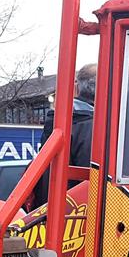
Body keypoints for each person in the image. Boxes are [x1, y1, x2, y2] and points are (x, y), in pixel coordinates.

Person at [32, 63, 96, 207]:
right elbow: (92, 182)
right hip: (76, 214)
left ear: (78, 88)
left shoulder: (59, 121)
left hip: (50, 209)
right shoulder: (90, 126)